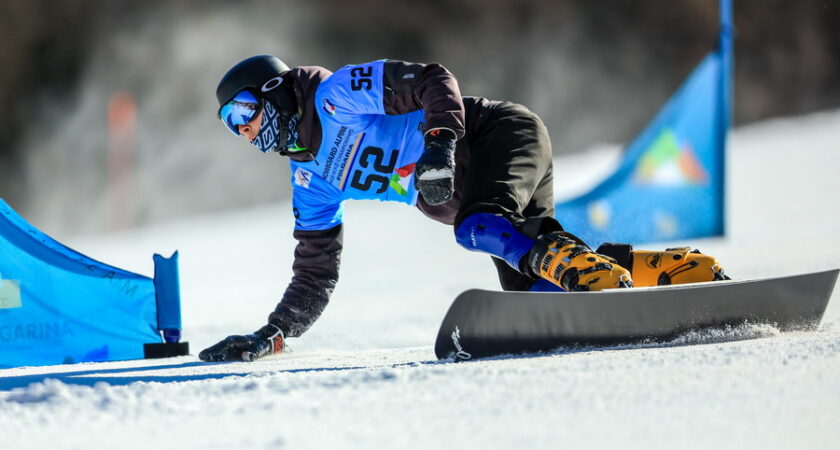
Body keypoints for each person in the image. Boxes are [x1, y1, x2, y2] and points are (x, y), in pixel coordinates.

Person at [199, 56, 728, 362]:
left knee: (479, 227)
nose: (243, 130)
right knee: (532, 290)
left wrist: (439, 145)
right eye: (229, 123)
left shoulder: (335, 95)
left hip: (499, 135)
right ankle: (676, 271)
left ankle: (601, 283)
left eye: (243, 111)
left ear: (275, 93)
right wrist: (274, 332)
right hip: (477, 192)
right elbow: (316, 273)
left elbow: (433, 79)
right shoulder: (310, 181)